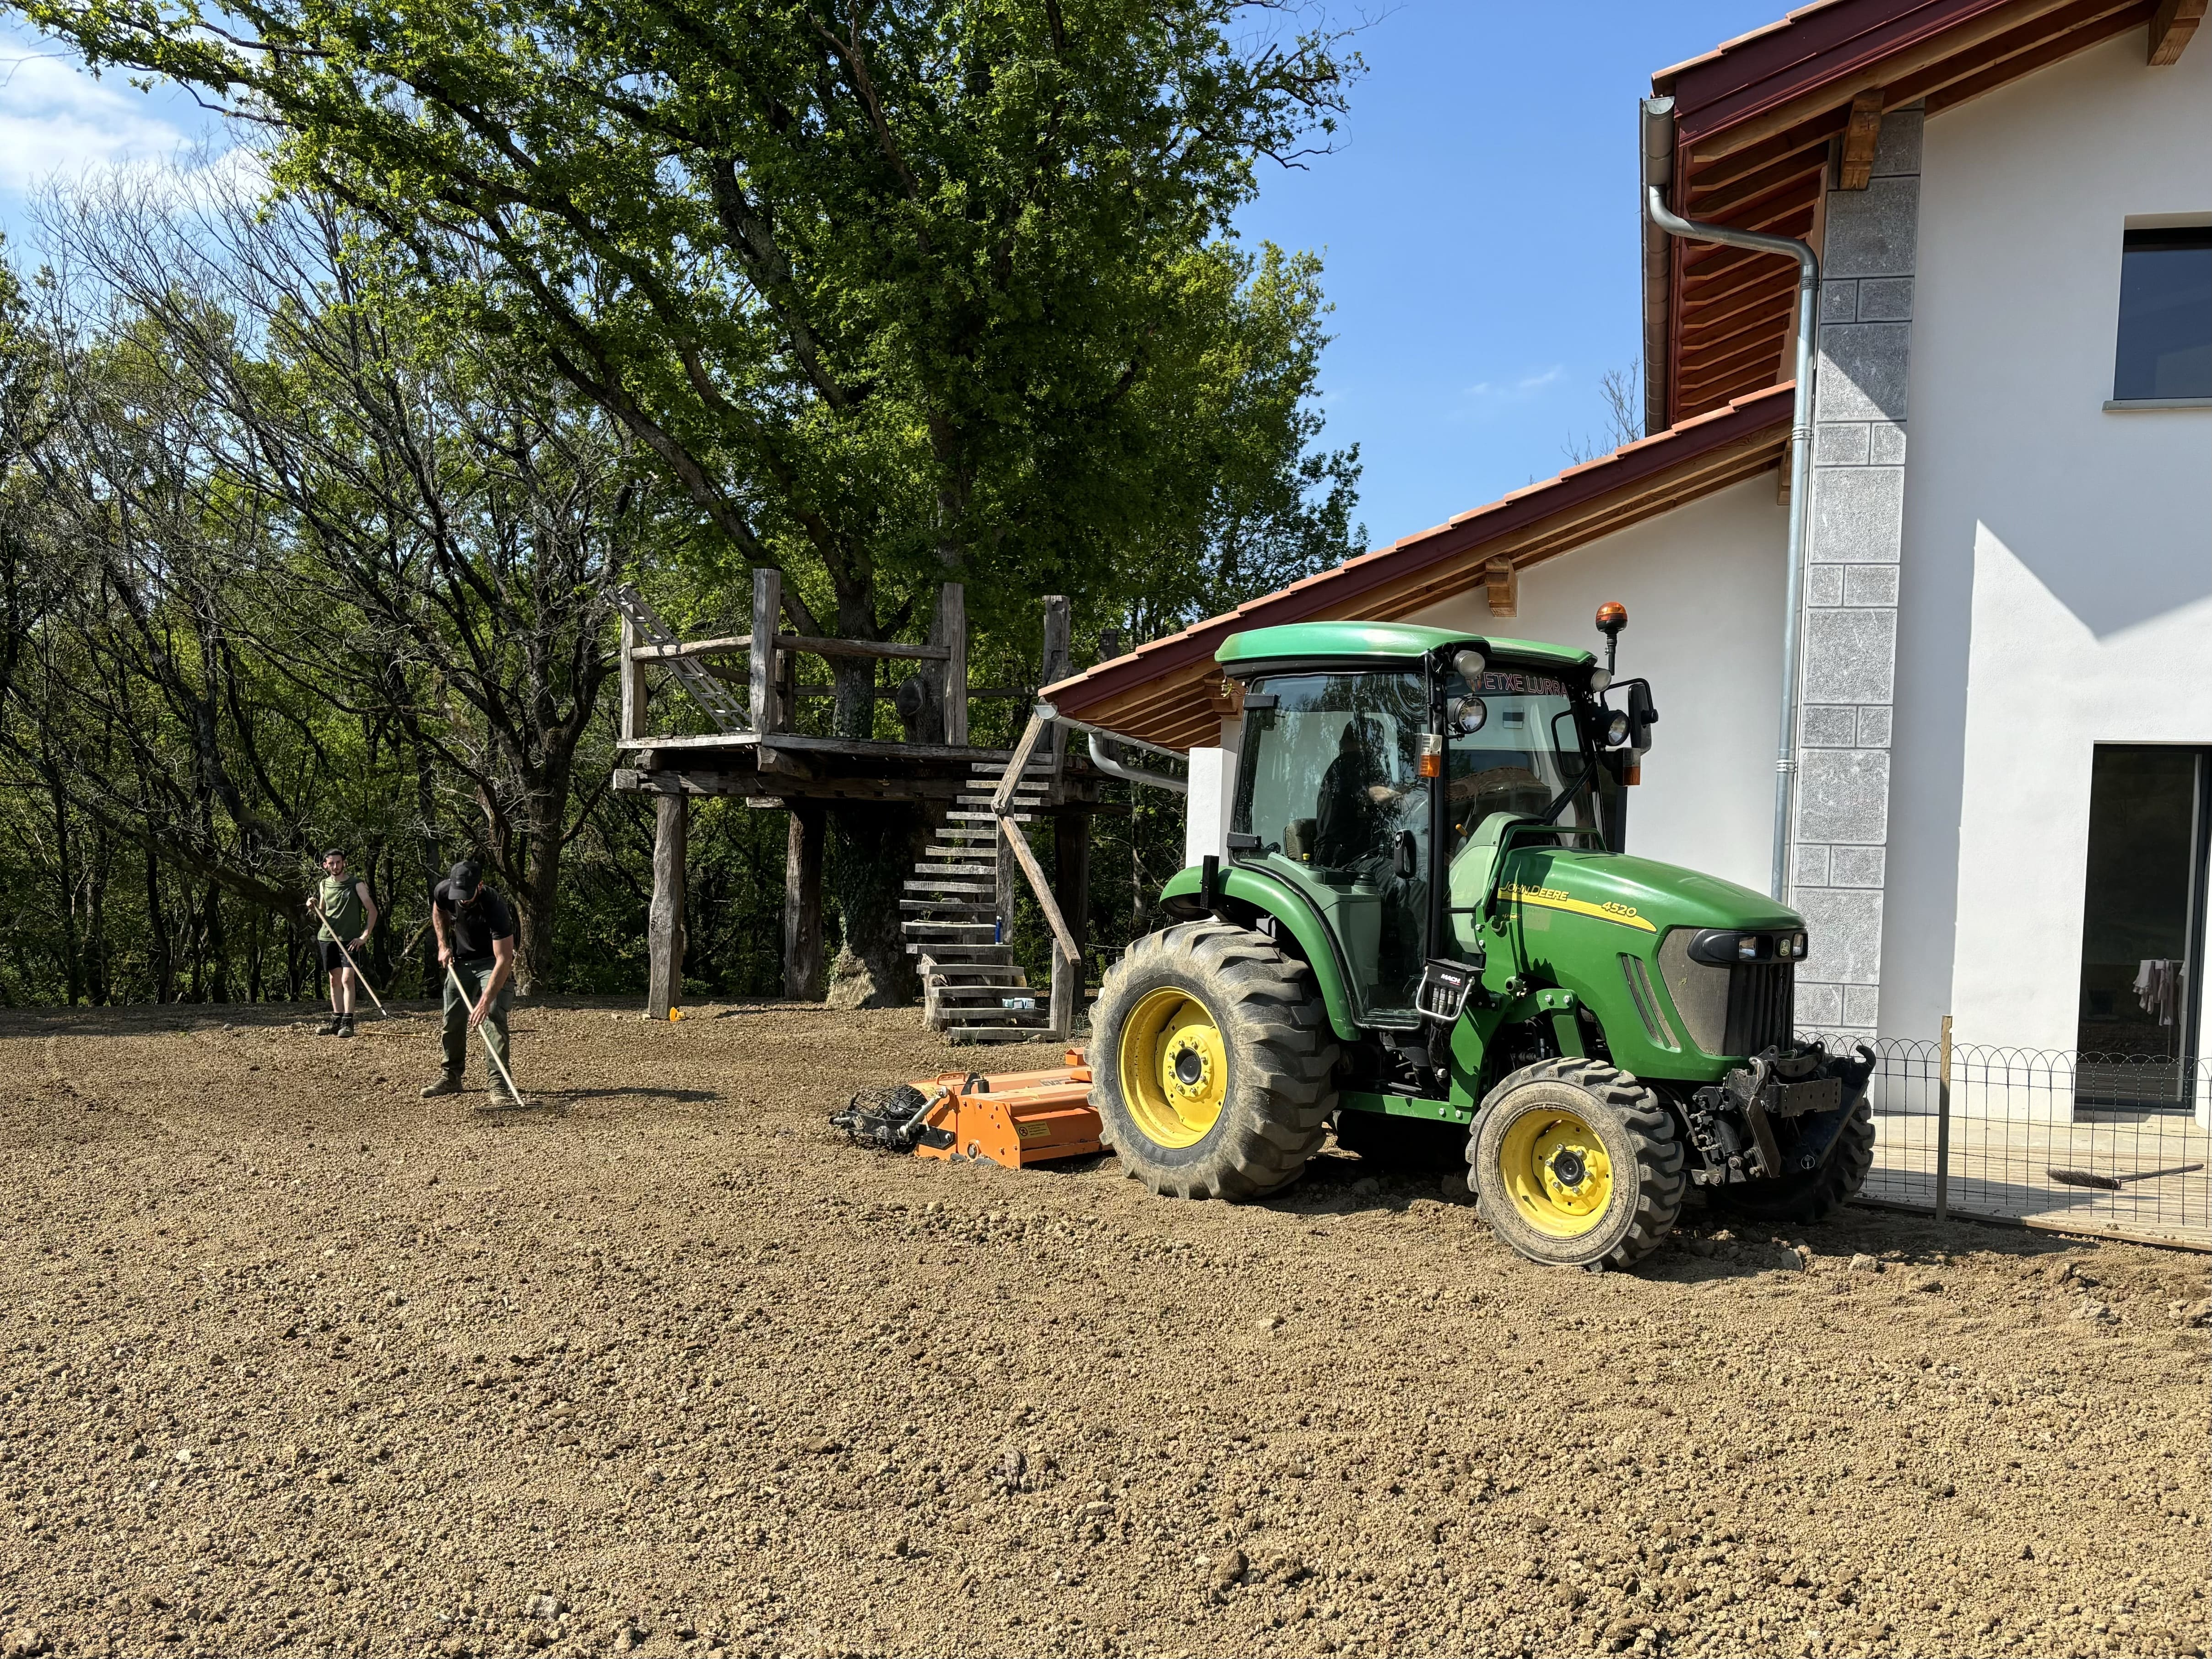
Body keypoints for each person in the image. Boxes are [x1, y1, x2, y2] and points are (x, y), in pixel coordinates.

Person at [422, 859, 521, 1104]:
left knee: (494, 1015)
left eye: (468, 895)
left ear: (480, 886)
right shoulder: (445, 891)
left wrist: (486, 1000)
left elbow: (504, 958)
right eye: (460, 896)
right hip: (462, 961)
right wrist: (443, 945)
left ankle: (499, 1084)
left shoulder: (495, 906)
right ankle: (451, 1077)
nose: (463, 901)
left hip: (492, 961)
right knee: (452, 1016)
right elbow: (439, 910)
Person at [308, 850, 378, 1039]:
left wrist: (364, 937)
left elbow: (372, 911)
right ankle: (336, 1020)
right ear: (325, 865)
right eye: (331, 864)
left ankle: (348, 1022)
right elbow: (322, 913)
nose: (336, 867)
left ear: (344, 863)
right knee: (334, 980)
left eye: (339, 863)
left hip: (350, 939)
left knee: (348, 979)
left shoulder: (356, 884)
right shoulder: (324, 884)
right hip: (328, 938)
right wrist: (313, 906)